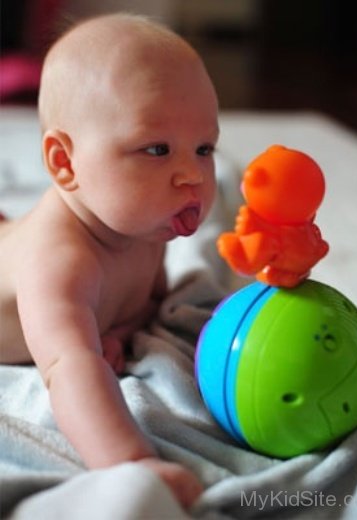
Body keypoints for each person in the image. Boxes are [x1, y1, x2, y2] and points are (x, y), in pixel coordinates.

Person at [0, 12, 219, 508]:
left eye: (204, 148)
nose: (192, 176)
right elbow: (68, 366)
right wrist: (131, 462)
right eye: (157, 148)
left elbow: (148, 297)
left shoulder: (147, 221)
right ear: (63, 162)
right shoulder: (59, 262)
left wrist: (124, 326)